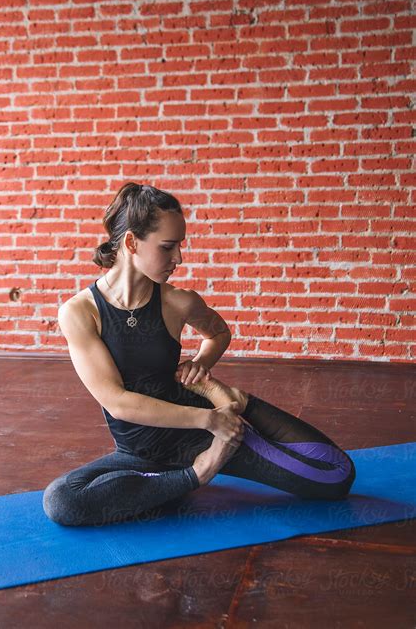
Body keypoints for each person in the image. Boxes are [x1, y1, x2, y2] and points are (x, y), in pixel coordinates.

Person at [42, 182, 356, 527]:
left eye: (180, 245)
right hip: (140, 452)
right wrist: (208, 422)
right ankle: (197, 474)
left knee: (334, 477)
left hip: (205, 435)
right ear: (131, 242)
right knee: (62, 500)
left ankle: (238, 404)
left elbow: (218, 333)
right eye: (168, 247)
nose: (178, 258)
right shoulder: (81, 312)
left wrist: (202, 370)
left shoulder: (178, 301)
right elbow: (117, 401)